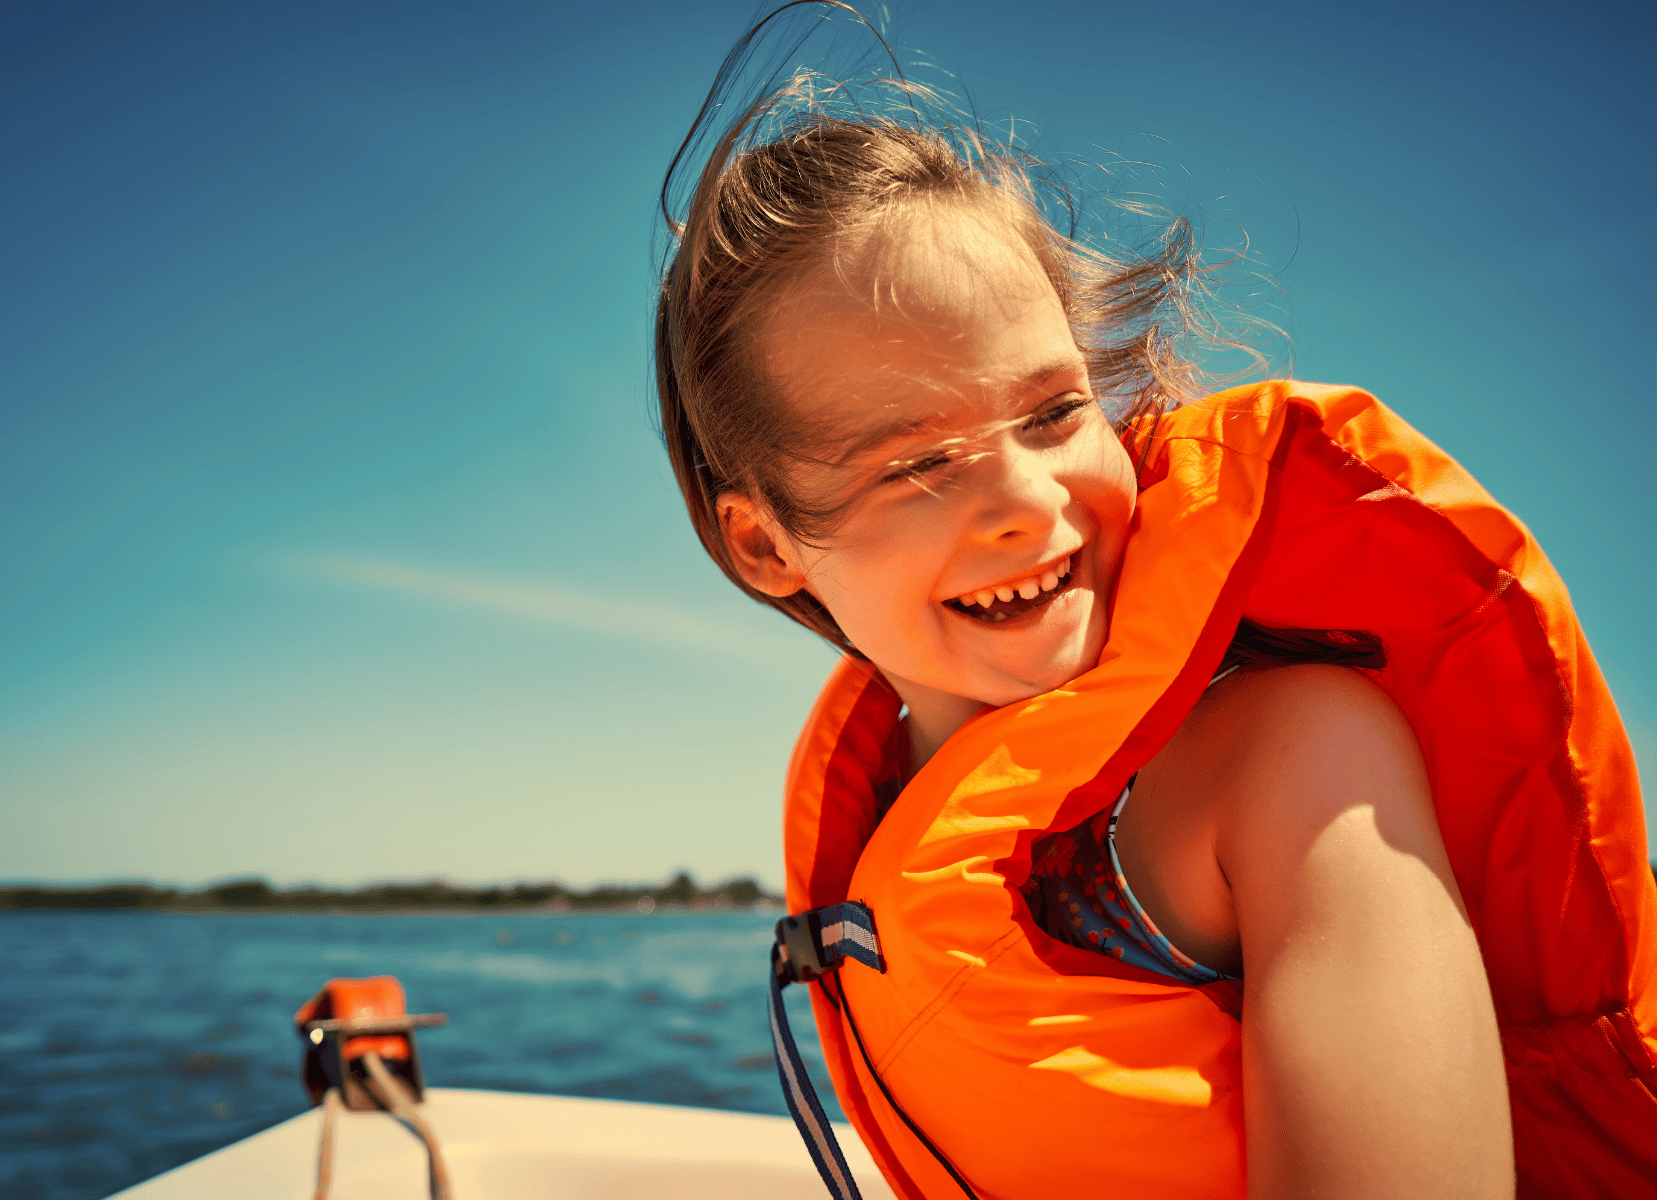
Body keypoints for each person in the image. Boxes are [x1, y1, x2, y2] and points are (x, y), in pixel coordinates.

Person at [653, 10, 1657, 1197]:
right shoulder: (886, 822)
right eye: (915, 464)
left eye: (1051, 414)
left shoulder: (1296, 763)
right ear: (765, 544)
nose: (1027, 500)